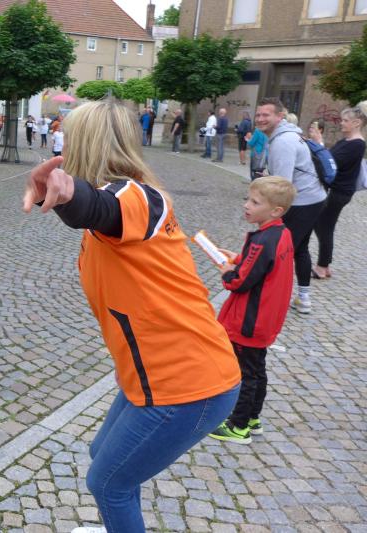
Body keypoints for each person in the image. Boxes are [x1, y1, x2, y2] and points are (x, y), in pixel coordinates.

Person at [22, 101, 241, 532]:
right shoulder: (126, 201)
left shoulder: (136, 197)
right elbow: (99, 212)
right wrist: (64, 195)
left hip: (187, 382)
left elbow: (98, 209)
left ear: (83, 144)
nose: (60, 146)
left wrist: (69, 195)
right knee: (104, 458)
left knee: (108, 483)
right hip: (153, 374)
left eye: (68, 139)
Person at [209, 177, 296, 444]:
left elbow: (239, 282)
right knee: (256, 370)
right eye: (248, 199)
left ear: (276, 211)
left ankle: (238, 426)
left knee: (244, 374)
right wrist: (237, 258)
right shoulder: (280, 233)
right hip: (265, 318)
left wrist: (228, 270)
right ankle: (252, 418)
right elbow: (260, 264)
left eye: (255, 202)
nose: (246, 205)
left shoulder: (262, 240)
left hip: (249, 319)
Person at [255, 97, 326, 314]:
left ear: (279, 116)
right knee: (300, 248)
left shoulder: (283, 141)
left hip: (302, 202)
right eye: (258, 115)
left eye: (266, 115)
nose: (260, 119)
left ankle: (268, 300)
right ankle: (303, 297)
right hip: (313, 199)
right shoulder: (289, 135)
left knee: (280, 251)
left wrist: (270, 216)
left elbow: (282, 186)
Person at [309, 103, 367, 279]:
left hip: (339, 192)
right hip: (336, 190)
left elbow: (331, 162)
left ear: (357, 123)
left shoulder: (357, 144)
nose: (341, 123)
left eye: (345, 120)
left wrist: (319, 143)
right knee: (325, 225)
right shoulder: (346, 141)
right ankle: (325, 265)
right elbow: (328, 157)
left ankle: (322, 267)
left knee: (323, 225)